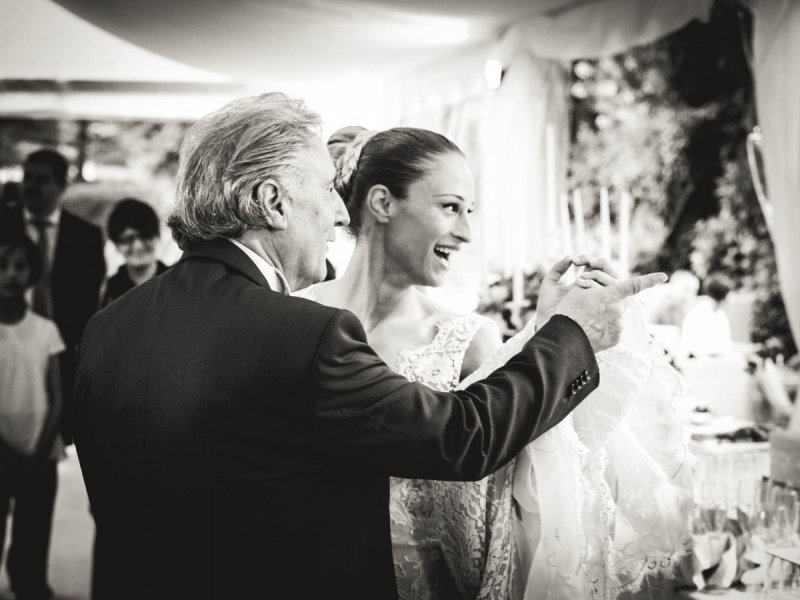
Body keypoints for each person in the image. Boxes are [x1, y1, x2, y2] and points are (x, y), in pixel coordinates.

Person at [72, 92, 665, 600]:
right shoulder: (300, 335)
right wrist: (569, 334)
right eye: (328, 190)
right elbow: (460, 435)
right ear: (274, 202)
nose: (338, 213)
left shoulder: (107, 329)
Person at [312, 127, 694, 599]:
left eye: (468, 212)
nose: (467, 232)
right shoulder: (294, 317)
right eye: (450, 207)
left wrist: (545, 337)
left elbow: (521, 463)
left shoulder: (469, 339)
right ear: (383, 204)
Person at [4, 150, 106, 445]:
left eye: (42, 179)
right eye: (28, 177)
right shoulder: (3, 222)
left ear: (61, 186)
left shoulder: (85, 236)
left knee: (46, 444)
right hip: (5, 345)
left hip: (57, 352)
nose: (31, 185)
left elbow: (88, 304)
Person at [0, 230, 65, 600]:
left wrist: (40, 450)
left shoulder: (45, 330)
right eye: (3, 266)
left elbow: (57, 397)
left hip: (40, 452)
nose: (11, 274)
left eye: (20, 266)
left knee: (34, 530)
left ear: (32, 273)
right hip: (2, 455)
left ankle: (30, 585)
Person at [102, 198, 168, 307]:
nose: (138, 246)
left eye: (145, 235)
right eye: (128, 239)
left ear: (157, 237)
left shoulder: (173, 282)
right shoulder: (111, 289)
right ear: (116, 244)